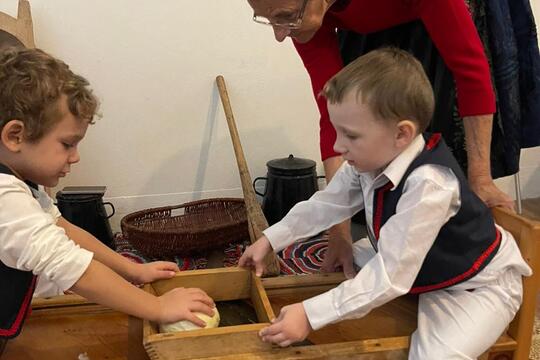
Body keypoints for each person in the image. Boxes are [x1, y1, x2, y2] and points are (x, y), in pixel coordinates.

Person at [238, 48, 531, 358]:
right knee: (335, 273)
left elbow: (390, 276)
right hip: (416, 263)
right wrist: (270, 239)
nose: (338, 146)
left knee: (433, 356)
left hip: (475, 286)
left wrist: (311, 315)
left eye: (350, 135)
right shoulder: (368, 162)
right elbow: (326, 204)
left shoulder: (430, 186)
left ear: (401, 134)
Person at [246, 0, 515, 279]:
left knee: (438, 161)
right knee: (364, 130)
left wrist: (481, 179)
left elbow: (470, 71)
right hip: (368, 31)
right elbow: (332, 114)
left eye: (285, 17)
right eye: (267, 20)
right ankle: (397, 252)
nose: (279, 35)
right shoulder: (301, 16)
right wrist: (340, 232)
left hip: (429, 29)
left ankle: (451, 269)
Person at [0, 48, 214, 354]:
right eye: (67, 144)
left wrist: (131, 270)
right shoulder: (4, 199)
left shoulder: (17, 181)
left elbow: (63, 230)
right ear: (15, 136)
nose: (75, 157)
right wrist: (157, 307)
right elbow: (74, 269)